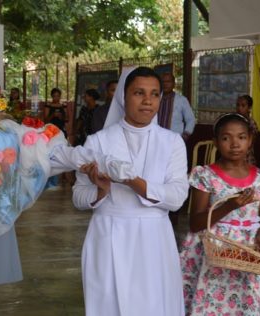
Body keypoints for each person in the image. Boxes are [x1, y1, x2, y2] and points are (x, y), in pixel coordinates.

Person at [72, 67, 188, 315]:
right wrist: (100, 192)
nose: (147, 101)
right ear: (124, 97)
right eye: (139, 93)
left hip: (154, 238)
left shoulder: (172, 142)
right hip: (109, 234)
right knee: (111, 304)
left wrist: (134, 182)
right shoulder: (98, 141)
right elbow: (78, 197)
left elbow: (177, 197)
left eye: (155, 94)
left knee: (155, 305)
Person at [181, 113, 260, 314]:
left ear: (249, 140)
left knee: (244, 304)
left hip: (246, 257)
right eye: (226, 138)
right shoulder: (206, 175)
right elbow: (195, 224)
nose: (234, 144)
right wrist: (228, 206)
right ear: (215, 142)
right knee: (210, 305)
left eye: (241, 137)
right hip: (213, 252)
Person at [157, 73, 196, 140]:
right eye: (163, 82)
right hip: (156, 138)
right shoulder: (155, 99)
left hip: (174, 139)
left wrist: (185, 135)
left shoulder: (181, 100)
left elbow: (191, 119)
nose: (165, 84)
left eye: (168, 81)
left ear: (174, 84)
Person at [235, 95, 258, 165]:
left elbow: (249, 143)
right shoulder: (233, 122)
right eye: (238, 105)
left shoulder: (251, 124)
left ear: (249, 108)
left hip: (246, 159)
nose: (239, 108)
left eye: (243, 105)